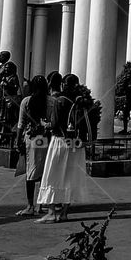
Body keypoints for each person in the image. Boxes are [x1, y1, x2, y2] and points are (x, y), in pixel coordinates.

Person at [36, 73, 90, 222]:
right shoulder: (81, 101)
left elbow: (54, 124)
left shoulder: (60, 101)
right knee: (69, 178)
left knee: (52, 175)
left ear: (64, 85)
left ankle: (51, 212)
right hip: (76, 144)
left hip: (60, 141)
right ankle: (65, 213)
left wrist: (44, 124)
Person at [16, 74, 52, 217]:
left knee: (30, 172)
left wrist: (18, 139)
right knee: (45, 172)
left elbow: (20, 123)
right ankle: (41, 205)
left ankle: (30, 205)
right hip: (46, 139)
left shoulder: (26, 101)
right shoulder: (52, 101)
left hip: (31, 139)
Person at [0, 52, 21, 133]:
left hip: (3, 94)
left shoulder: (8, 68)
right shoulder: (1, 67)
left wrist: (6, 84)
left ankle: (3, 133)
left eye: (1, 56)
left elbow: (16, 86)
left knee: (3, 115)